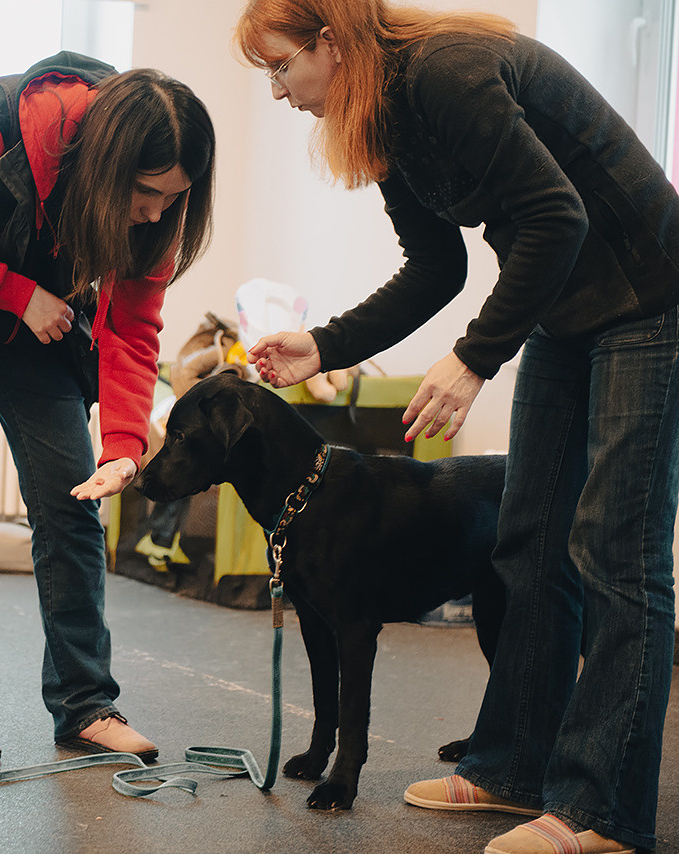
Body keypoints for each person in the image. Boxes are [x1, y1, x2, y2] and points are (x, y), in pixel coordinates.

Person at [235, 2, 679, 852]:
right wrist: (326, 344)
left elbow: (557, 215)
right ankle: (514, 767)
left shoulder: (446, 72)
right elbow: (435, 266)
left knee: (615, 553)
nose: (280, 92)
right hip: (563, 305)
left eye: (282, 66)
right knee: (529, 538)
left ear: (332, 41)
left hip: (649, 295)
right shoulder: (383, 119)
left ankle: (603, 811)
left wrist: (475, 357)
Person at [0, 52, 216, 765]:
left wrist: (124, 446)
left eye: (174, 197)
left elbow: (132, 328)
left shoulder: (156, 212)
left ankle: (86, 704)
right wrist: (17, 293)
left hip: (30, 314)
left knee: (72, 498)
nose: (157, 212)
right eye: (146, 192)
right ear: (108, 162)